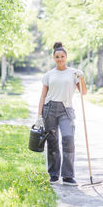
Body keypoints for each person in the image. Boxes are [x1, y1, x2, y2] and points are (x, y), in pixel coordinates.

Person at [36, 42, 87, 186]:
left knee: (68, 140)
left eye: (62, 56)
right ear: (53, 57)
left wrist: (82, 78)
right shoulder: (48, 75)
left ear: (66, 57)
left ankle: (68, 176)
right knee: (52, 143)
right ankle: (53, 175)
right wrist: (39, 115)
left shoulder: (73, 73)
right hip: (49, 110)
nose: (60, 59)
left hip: (66, 110)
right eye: (57, 57)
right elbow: (43, 96)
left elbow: (83, 92)